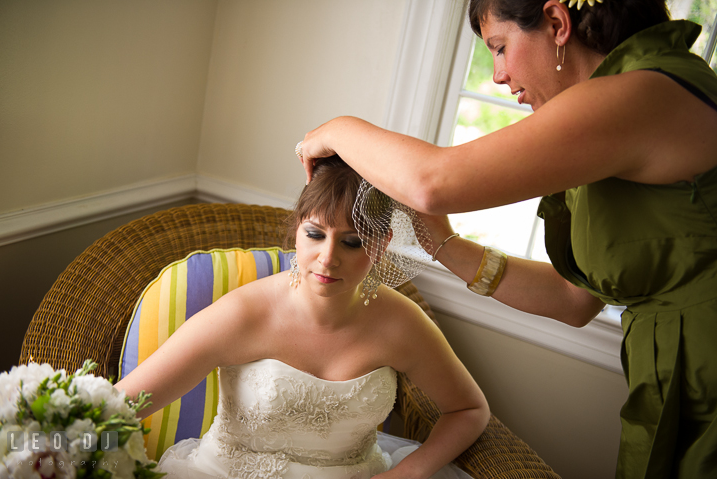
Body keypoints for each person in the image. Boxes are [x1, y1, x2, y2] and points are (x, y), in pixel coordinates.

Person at [295, 0, 717, 477]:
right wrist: (443, 246)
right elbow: (573, 299)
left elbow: (432, 183)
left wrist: (335, 129)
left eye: (499, 47)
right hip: (675, 381)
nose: (497, 74)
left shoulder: (643, 92)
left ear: (558, 24)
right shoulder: (619, 116)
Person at [114, 157, 489, 479]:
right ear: (297, 231)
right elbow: (121, 404)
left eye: (351, 241)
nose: (327, 257)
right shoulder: (242, 313)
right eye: (314, 234)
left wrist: (410, 471)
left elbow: (468, 409)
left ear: (381, 243)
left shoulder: (401, 323)